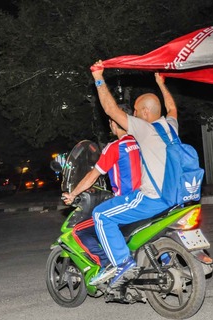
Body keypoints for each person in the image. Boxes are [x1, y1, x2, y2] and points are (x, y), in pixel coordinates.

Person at [90, 60, 179, 288]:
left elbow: (111, 110)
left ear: (146, 113)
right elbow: (172, 108)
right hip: (177, 196)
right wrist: (161, 84)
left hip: (154, 198)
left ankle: (122, 263)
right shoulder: (171, 126)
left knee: (101, 215)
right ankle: (166, 258)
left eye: (138, 111)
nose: (136, 115)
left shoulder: (145, 129)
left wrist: (99, 78)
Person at [62, 104, 142, 285]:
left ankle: (107, 266)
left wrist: (73, 194)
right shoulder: (142, 141)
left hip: (126, 203)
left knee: (79, 230)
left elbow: (92, 175)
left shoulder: (115, 147)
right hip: (147, 200)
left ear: (114, 122)